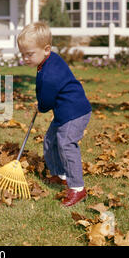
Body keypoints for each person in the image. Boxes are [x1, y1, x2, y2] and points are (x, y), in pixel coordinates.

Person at [17, 21, 92, 207]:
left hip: (75, 112)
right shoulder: (47, 60)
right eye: (23, 54)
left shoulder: (50, 72)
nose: (25, 58)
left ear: (46, 49)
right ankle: (61, 175)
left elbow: (48, 97)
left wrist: (41, 106)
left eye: (29, 54)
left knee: (66, 144)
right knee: (50, 141)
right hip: (63, 112)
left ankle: (77, 188)